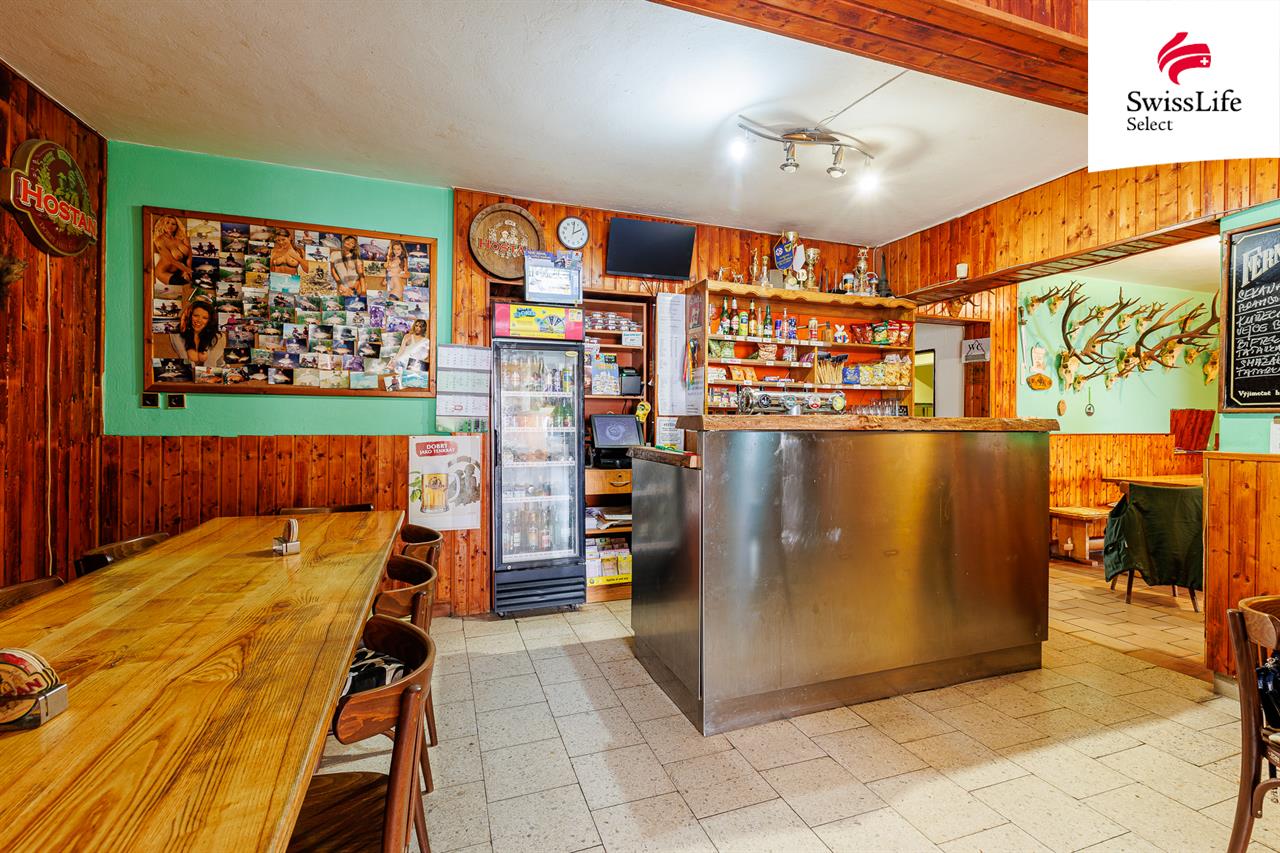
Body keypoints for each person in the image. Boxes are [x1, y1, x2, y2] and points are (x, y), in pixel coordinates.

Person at [170, 299, 225, 367]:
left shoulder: (219, 338)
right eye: (195, 315)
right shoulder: (176, 336)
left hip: (211, 373)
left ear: (209, 320)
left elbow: (219, 364)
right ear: (189, 316)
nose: (199, 320)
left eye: (205, 318)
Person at [153, 215, 192, 286]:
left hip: (181, 270)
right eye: (167, 223)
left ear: (177, 226)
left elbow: (189, 254)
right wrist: (187, 270)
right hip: (164, 272)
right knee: (188, 285)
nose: (170, 226)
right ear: (163, 224)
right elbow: (171, 260)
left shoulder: (182, 238)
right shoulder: (159, 240)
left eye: (173, 224)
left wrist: (188, 270)